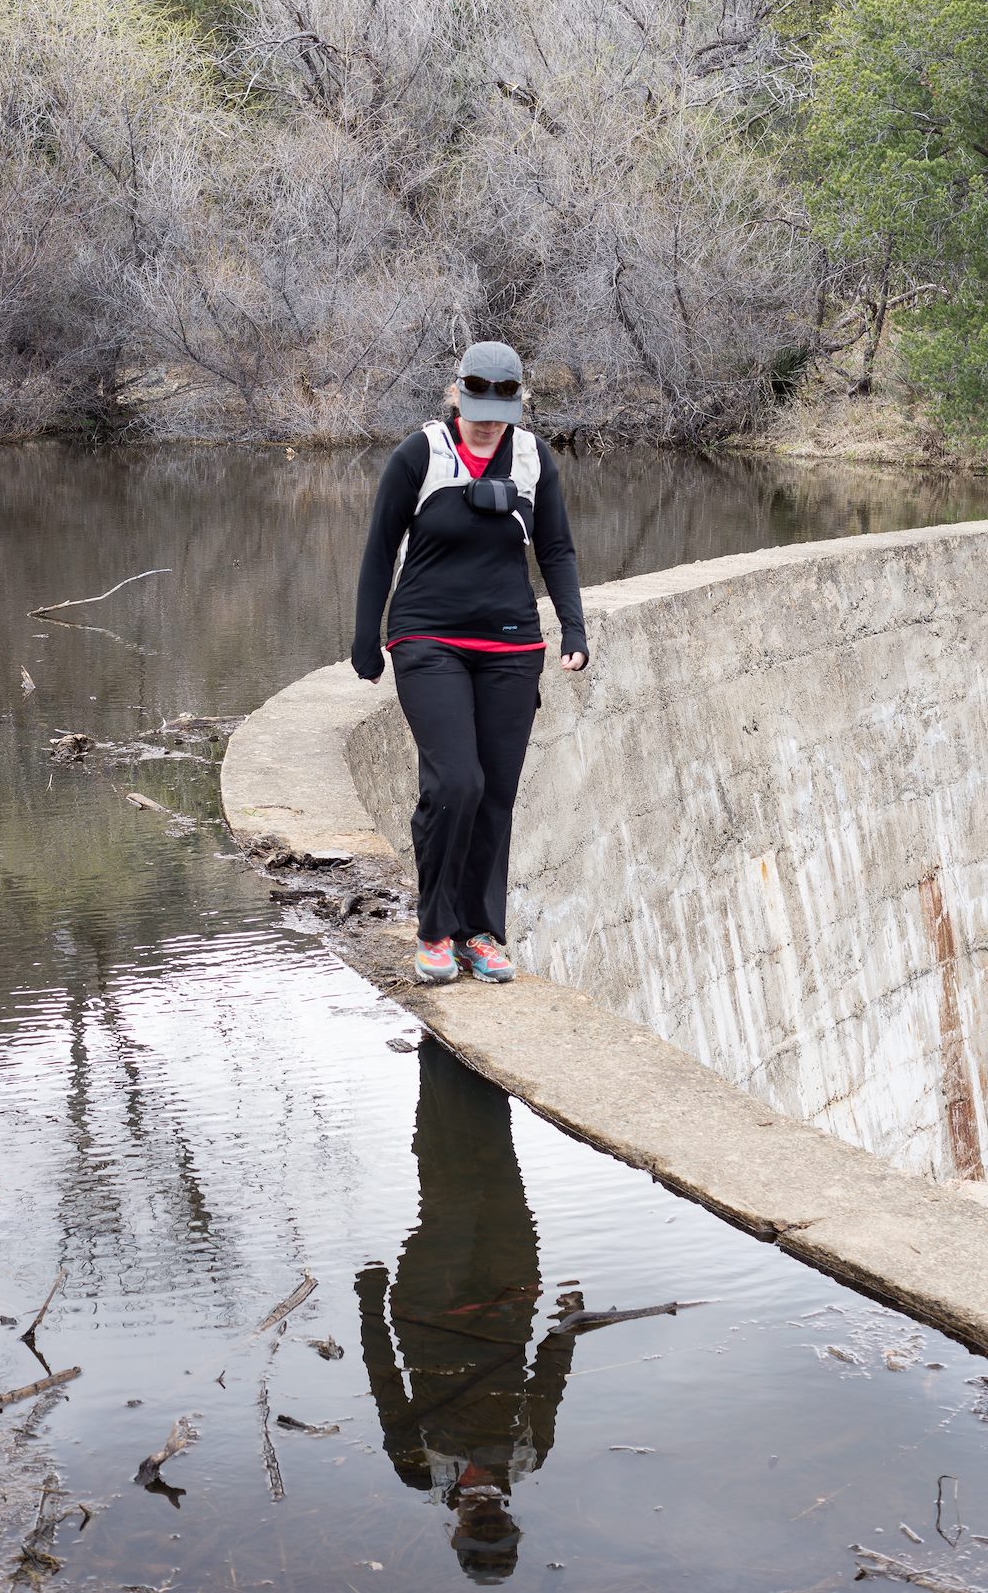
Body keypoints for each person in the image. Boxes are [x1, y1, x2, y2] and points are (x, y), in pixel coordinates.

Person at [351, 341, 588, 986]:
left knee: (495, 796)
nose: (485, 421)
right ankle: (434, 927)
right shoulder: (421, 454)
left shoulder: (535, 459)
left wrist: (573, 625)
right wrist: (364, 637)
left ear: (517, 403)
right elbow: (380, 550)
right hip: (428, 638)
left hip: (511, 646)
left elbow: (557, 548)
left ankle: (482, 932)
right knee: (456, 783)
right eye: (475, 406)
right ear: (455, 394)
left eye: (498, 410)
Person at [356, 1041, 583, 1584]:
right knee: (499, 1173)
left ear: (456, 1533)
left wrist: (369, 1306)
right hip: (510, 1298)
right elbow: (548, 1382)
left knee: (452, 1192)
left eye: (477, 1534)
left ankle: (438, 1058)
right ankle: (463, 1050)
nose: (486, 1521)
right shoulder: (527, 1458)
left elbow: (385, 1382)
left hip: (430, 1305)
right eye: (498, 1531)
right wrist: (567, 1324)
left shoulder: (418, 1466)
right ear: (514, 1526)